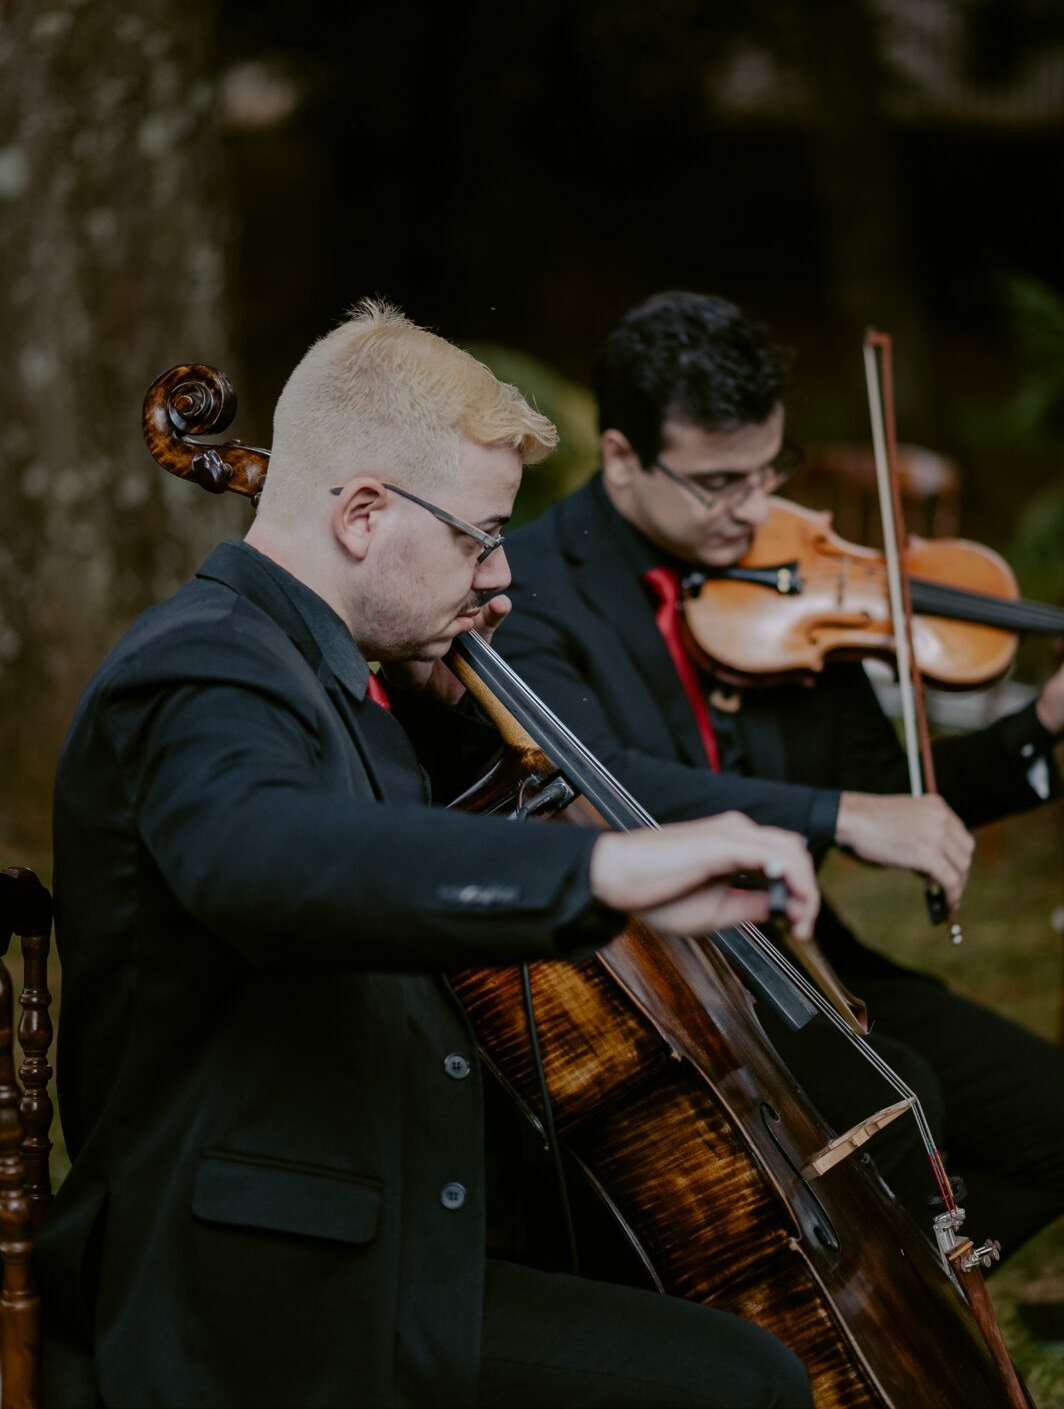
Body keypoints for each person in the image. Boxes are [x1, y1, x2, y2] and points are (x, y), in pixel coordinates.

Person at [37, 299, 820, 1409]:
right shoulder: (206, 666)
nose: (499, 576)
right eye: (479, 535)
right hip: (264, 1295)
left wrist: (452, 708)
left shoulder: (338, 673)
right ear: (362, 513)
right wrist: (602, 871)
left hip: (392, 1242)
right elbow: (261, 854)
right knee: (742, 1385)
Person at [496, 288, 1064, 1260]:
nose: (757, 507)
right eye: (719, 483)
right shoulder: (531, 592)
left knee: (1048, 1119)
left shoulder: (788, 571)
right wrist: (833, 813)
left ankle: (919, 1283)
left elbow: (888, 794)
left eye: (770, 469)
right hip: (669, 980)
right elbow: (602, 787)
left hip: (806, 957)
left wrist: (1039, 730)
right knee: (900, 1105)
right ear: (623, 457)